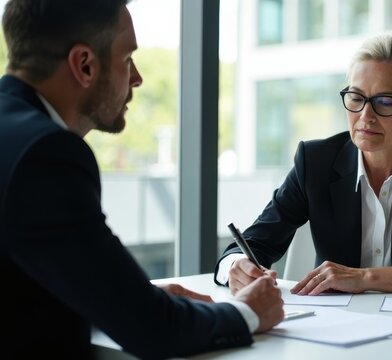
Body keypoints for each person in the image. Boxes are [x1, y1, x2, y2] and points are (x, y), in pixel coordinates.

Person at [0, 0, 283, 358]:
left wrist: (128, 299)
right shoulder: (45, 154)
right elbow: (153, 331)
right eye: (126, 59)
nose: (137, 78)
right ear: (84, 65)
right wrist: (247, 312)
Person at [215, 34, 392, 296]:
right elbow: (255, 242)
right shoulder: (315, 161)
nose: (365, 116)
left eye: (385, 102)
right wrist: (239, 266)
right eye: (356, 97)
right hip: (331, 323)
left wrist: (364, 278)